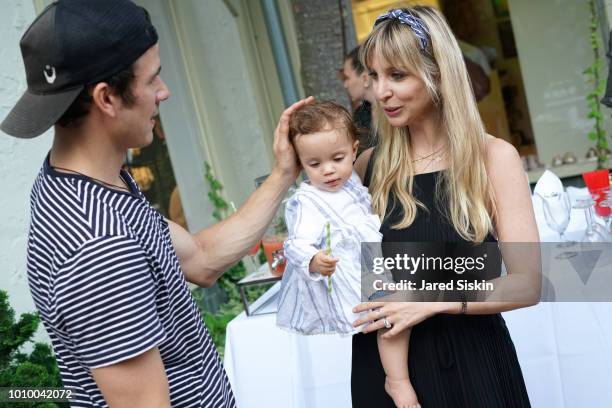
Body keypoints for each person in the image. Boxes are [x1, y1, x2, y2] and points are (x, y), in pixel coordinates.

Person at [0, 0, 310, 406]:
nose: (164, 91)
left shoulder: (94, 186)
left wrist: (283, 174)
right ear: (106, 99)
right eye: (153, 79)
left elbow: (200, 258)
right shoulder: (98, 246)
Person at [349, 7, 539, 408]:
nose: (381, 91)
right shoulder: (368, 166)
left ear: (438, 72)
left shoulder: (493, 159)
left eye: (397, 75)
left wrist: (428, 298)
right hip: (385, 371)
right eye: (375, 76)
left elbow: (528, 284)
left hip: (469, 366)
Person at [275, 100, 419, 407]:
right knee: (389, 319)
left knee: (398, 313)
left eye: (337, 158)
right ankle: (397, 380)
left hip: (374, 259)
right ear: (301, 163)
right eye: (314, 164)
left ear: (354, 151)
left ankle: (399, 377)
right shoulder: (308, 200)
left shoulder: (352, 180)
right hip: (352, 271)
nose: (328, 170)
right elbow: (296, 243)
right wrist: (314, 260)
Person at [339, 46, 377, 155]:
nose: (345, 85)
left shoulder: (395, 110)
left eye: (347, 78)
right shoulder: (360, 115)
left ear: (365, 78)